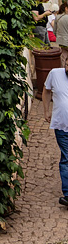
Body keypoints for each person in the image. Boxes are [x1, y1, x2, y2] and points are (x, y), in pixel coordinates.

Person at [43, 62, 68, 206]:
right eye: (67, 65)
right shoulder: (54, 73)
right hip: (61, 126)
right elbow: (46, 90)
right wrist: (46, 110)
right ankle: (67, 194)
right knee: (66, 158)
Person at [55, 3, 68, 68]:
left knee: (64, 56)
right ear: (66, 8)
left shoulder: (57, 17)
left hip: (61, 41)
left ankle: (63, 70)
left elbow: (54, 31)